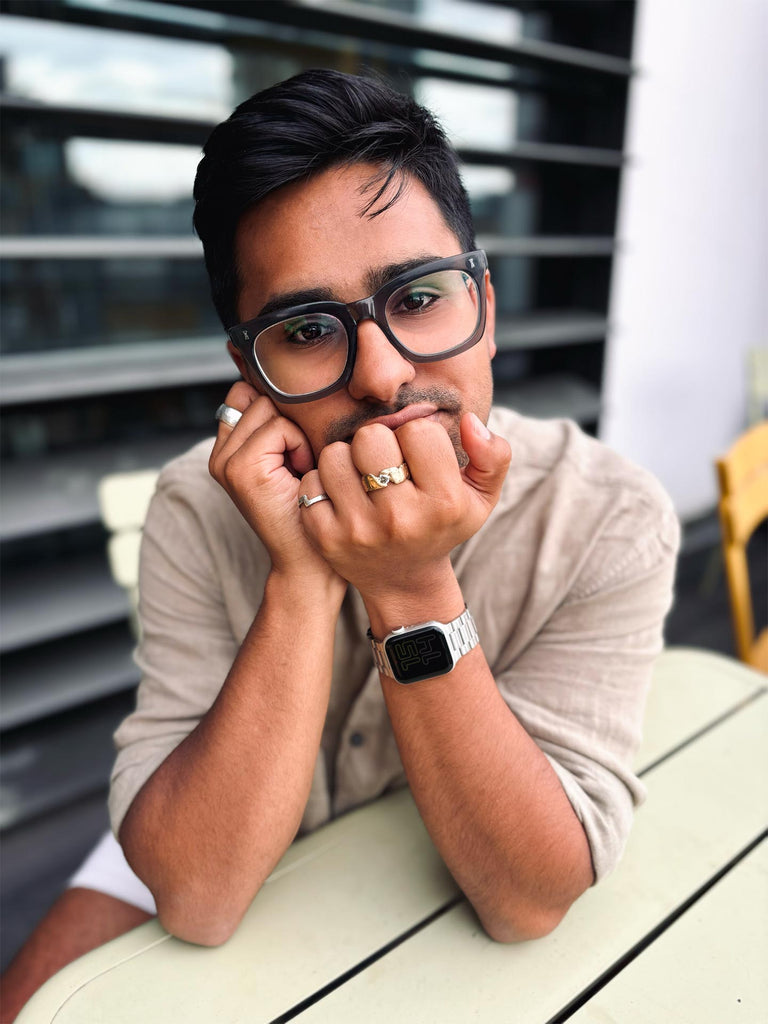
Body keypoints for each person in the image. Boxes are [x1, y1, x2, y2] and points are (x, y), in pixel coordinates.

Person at [1, 68, 679, 1018]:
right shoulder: (198, 506)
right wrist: (304, 574)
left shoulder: (609, 514)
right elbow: (196, 895)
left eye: (421, 297)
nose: (382, 373)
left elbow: (528, 899)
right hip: (208, 805)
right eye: (309, 328)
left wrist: (408, 585)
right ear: (250, 369)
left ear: (485, 305)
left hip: (431, 884)